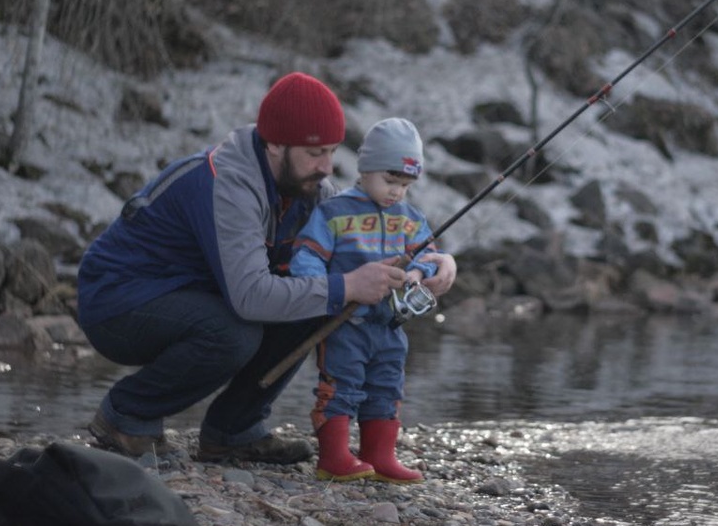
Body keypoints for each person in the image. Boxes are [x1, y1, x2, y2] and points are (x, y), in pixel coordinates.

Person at [75, 72, 457, 464]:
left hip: (190, 294)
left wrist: (435, 262)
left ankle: (233, 430)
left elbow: (353, 242)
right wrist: (348, 286)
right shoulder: (228, 184)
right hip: (116, 301)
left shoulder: (306, 185)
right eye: (315, 153)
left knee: (316, 298)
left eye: (332, 151)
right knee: (236, 332)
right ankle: (127, 414)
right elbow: (250, 298)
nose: (327, 167)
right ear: (275, 144)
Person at [290, 117, 440, 484]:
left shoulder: (410, 218)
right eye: (390, 182)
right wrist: (324, 285)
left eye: (405, 185)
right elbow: (307, 255)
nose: (397, 193)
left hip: (389, 324)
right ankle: (333, 458)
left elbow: (427, 253)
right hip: (344, 323)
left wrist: (421, 273)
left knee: (388, 386)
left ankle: (380, 455)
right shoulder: (334, 212)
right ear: (366, 169)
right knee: (341, 385)